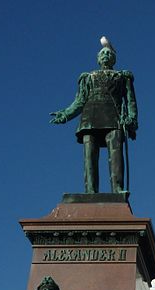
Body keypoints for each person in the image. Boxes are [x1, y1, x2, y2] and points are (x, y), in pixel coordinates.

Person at [50, 37, 138, 194]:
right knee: (90, 156)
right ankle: (90, 191)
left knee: (116, 155)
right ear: (98, 59)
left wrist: (131, 119)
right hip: (90, 118)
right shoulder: (88, 77)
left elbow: (131, 100)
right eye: (102, 53)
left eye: (108, 53)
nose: (105, 55)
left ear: (114, 58)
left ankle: (117, 189)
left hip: (114, 118)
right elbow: (79, 101)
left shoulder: (122, 77)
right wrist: (65, 114)